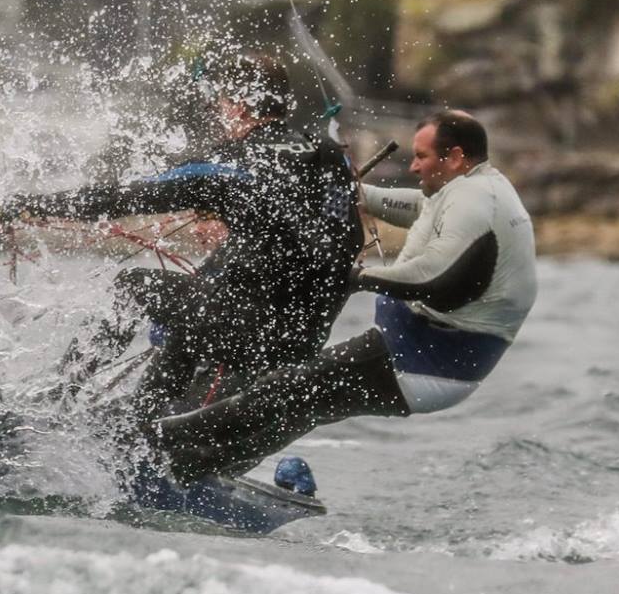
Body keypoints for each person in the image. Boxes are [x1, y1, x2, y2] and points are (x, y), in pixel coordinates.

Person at [155, 108, 538, 481]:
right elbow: (417, 208)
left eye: (421, 156)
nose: (413, 166)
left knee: (287, 387)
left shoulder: (473, 201)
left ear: (455, 156)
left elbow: (429, 276)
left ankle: (161, 439)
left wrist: (352, 275)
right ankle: (201, 467)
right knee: (303, 405)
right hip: (434, 358)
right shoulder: (476, 188)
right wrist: (347, 190)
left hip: (425, 360)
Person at [0, 52, 365, 411]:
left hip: (253, 331)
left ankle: (58, 396)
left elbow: (123, 197)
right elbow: (338, 240)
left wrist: (36, 205)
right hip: (307, 335)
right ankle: (147, 418)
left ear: (237, 105)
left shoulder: (226, 165)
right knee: (194, 310)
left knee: (132, 288)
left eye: (221, 103)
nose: (220, 114)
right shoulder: (331, 156)